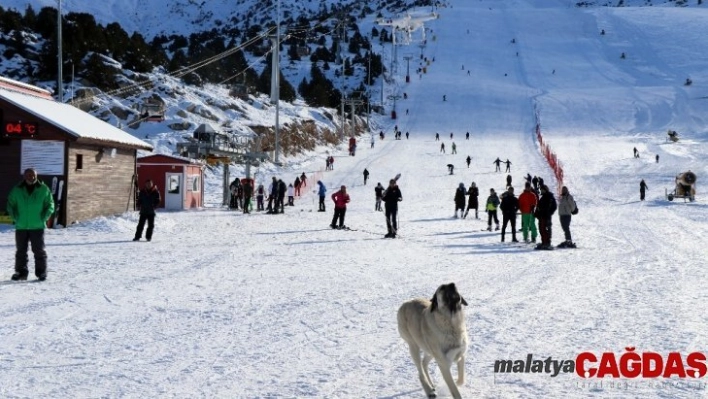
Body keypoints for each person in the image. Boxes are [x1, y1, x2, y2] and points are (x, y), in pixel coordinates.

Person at [6, 168, 54, 281]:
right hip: (21, 226)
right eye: (28, 175)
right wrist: (15, 217)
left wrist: (44, 217)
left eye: (32, 175)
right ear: (24, 176)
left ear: (36, 176)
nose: (30, 177)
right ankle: (21, 272)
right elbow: (10, 204)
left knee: (39, 250)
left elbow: (50, 204)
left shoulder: (43, 189)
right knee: (21, 250)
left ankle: (41, 272)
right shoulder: (17, 190)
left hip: (37, 225)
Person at [534, 185, 557, 250]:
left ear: (546, 189)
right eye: (541, 190)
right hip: (541, 216)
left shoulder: (549, 196)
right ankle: (544, 242)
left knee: (546, 229)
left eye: (543, 189)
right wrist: (536, 214)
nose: (542, 191)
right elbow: (538, 206)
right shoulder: (543, 197)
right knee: (541, 229)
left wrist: (549, 212)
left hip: (546, 216)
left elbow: (554, 206)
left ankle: (547, 243)